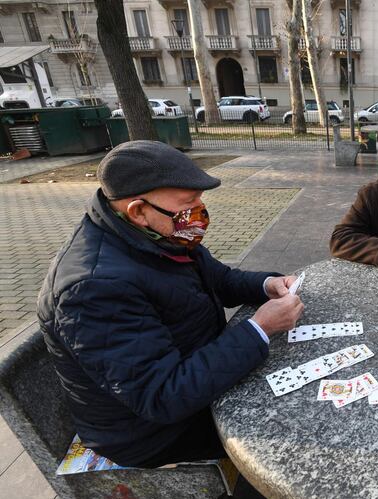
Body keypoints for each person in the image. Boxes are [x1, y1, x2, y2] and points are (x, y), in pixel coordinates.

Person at [37, 141, 305, 468]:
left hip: (191, 380)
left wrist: (267, 284)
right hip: (153, 434)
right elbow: (163, 397)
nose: (199, 211)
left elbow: (218, 278)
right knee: (295, 421)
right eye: (187, 203)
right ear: (138, 210)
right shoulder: (93, 288)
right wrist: (259, 328)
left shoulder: (156, 235)